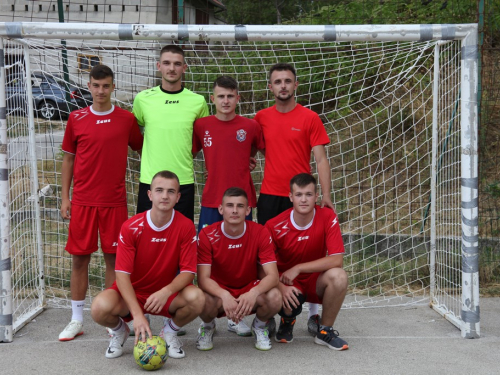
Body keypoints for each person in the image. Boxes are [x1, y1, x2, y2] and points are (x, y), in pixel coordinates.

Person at [58, 64, 143, 342]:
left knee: (114, 260)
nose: (101, 91)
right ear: (89, 86)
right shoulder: (76, 118)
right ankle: (77, 319)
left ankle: (112, 317)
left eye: (106, 86)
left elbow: (143, 148)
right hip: (82, 202)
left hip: (114, 202)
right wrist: (65, 197)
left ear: (113, 86)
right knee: (79, 260)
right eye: (96, 86)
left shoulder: (126, 119)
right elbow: (68, 159)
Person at [90, 171, 204, 359]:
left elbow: (188, 272)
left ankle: (169, 331)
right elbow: (121, 274)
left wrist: (165, 291)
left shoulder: (185, 226)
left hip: (165, 294)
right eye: (159, 190)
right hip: (133, 293)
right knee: (99, 307)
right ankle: (120, 331)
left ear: (178, 197)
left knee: (197, 298)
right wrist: (137, 315)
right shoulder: (131, 226)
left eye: (170, 191)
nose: (165, 196)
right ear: (150, 195)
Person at [254, 62, 334, 327]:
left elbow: (321, 159)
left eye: (288, 81)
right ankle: (268, 311)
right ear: (270, 87)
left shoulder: (309, 117)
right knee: (266, 255)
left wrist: (326, 195)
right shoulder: (261, 117)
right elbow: (257, 150)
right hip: (270, 196)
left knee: (309, 251)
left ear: (296, 85)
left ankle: (312, 311)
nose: (283, 86)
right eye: (278, 82)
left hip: (301, 198)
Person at [265, 173, 349, 351]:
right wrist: (281, 286)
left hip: (315, 280)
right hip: (288, 281)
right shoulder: (274, 225)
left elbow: (337, 259)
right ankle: (287, 320)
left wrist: (299, 267)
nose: (304, 200)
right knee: (281, 296)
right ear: (291, 197)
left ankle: (325, 332)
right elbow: (262, 267)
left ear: (316, 196)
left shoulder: (327, 216)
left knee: (339, 276)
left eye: (309, 194)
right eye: (299, 195)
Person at [196, 188, 281, 351]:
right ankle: (208, 326)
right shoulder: (207, 234)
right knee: (201, 300)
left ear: (248, 210)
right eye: (229, 205)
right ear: (221, 209)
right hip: (219, 291)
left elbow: (273, 276)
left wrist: (254, 292)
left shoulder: (260, 232)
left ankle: (259, 326)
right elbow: (203, 279)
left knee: (275, 297)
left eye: (240, 206)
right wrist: (223, 294)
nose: (234, 210)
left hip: (248, 287)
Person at [133, 44, 209, 221]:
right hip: (150, 181)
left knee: (181, 238)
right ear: (159, 66)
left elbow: (202, 138)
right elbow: (134, 132)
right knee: (146, 237)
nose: (172, 68)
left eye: (177, 64)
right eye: (166, 63)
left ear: (184, 67)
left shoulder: (197, 101)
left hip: (183, 181)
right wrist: (145, 153)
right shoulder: (143, 99)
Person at [193, 75, 264, 233]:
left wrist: (246, 158)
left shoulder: (251, 126)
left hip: (241, 200)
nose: (226, 101)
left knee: (241, 249)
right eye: (221, 96)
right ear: (212, 98)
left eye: (230, 96)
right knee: (206, 248)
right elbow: (190, 154)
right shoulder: (201, 125)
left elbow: (260, 148)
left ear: (238, 98)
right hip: (212, 197)